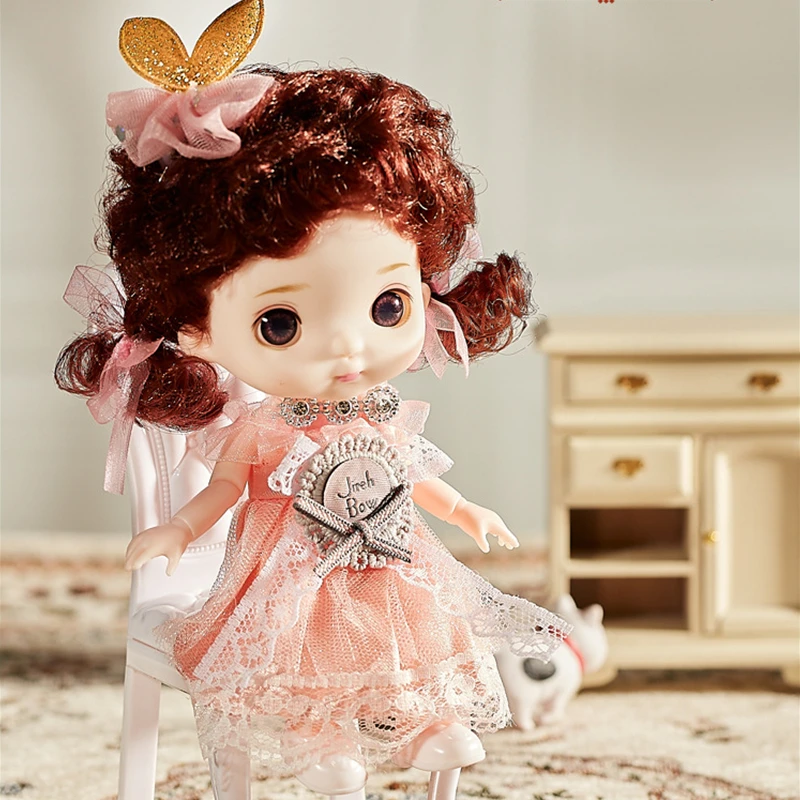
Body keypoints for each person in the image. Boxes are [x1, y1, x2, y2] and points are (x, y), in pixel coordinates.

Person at [56, 5, 569, 793]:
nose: (349, 349)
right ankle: (322, 733)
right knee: (301, 650)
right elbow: (225, 490)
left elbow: (408, 477)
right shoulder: (263, 428)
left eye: (388, 306)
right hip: (284, 572)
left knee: (415, 623)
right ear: (196, 329)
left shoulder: (380, 416)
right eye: (281, 322)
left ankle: (422, 721)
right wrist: (178, 528)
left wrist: (466, 511)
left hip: (384, 560)